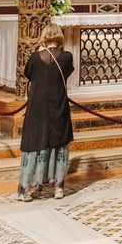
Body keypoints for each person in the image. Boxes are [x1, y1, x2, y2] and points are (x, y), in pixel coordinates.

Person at [17, 24, 74, 201]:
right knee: (59, 143)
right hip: (58, 105)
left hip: (37, 106)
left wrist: (41, 51)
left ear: (44, 37)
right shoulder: (66, 57)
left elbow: (28, 73)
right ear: (59, 37)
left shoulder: (35, 57)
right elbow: (67, 73)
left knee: (34, 143)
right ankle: (58, 188)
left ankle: (26, 189)